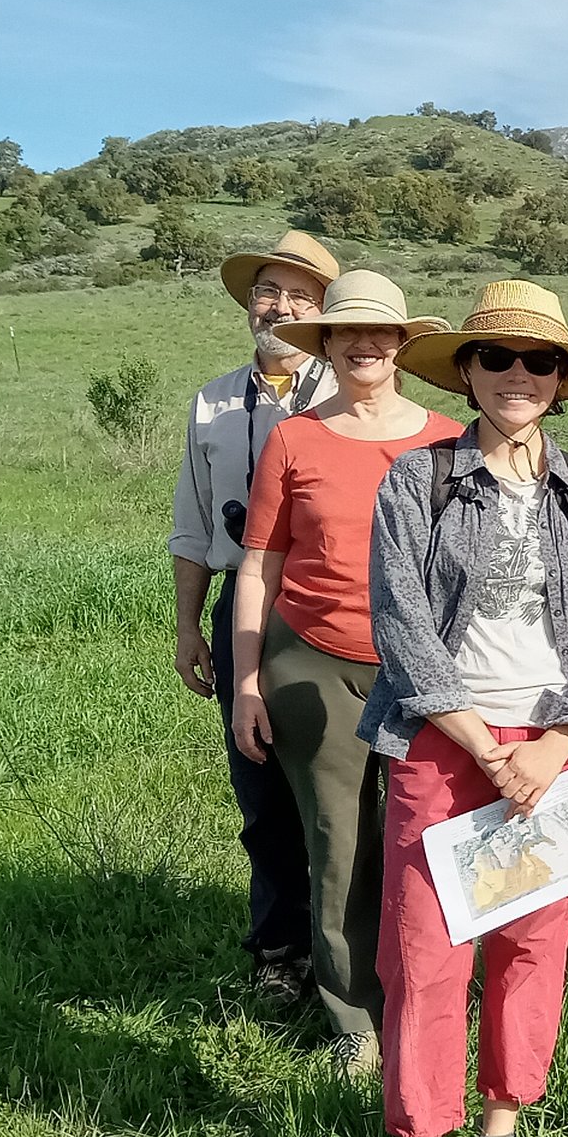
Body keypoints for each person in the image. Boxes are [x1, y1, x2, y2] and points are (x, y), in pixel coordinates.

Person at [362, 281, 568, 1137]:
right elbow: (399, 619)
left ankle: (501, 1128)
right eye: (497, 357)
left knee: (533, 938)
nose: (517, 375)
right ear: (468, 372)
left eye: (539, 361)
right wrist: (484, 744)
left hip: (555, 747)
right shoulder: (418, 481)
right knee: (423, 944)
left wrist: (559, 739)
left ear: (562, 380)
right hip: (444, 740)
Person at [229, 270, 461, 1080]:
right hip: (315, 663)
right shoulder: (293, 437)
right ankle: (354, 1018)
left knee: (431, 838)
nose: (365, 344)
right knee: (339, 846)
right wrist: (248, 681)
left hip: (425, 669)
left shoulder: (448, 439)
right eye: (346, 332)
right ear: (325, 343)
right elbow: (259, 564)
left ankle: (431, 996)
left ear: (402, 345)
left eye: (382, 333)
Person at [168, 229, 339, 999]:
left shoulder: (347, 394)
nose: (280, 306)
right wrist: (185, 628)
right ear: (248, 304)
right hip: (242, 610)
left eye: (300, 296)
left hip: (327, 613)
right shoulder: (212, 399)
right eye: (268, 291)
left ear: (324, 312)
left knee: (338, 792)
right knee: (261, 792)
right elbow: (194, 525)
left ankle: (349, 951)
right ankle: (279, 955)